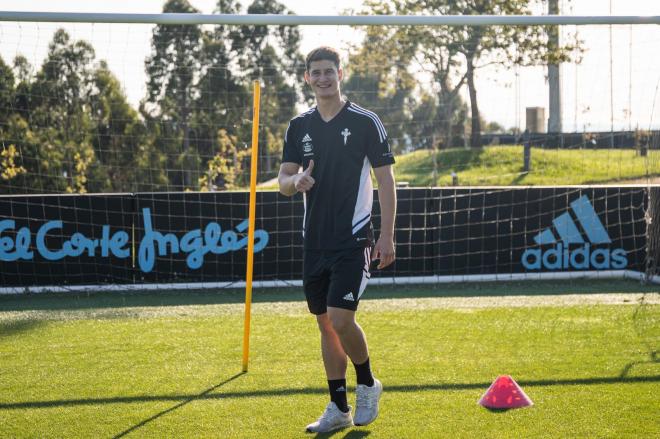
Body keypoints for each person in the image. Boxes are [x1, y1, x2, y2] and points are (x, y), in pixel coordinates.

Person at [278, 46, 396, 433]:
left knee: (343, 319)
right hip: (314, 242)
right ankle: (338, 408)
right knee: (325, 324)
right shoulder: (299, 126)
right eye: (316, 72)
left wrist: (388, 236)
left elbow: (386, 181)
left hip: (354, 240)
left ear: (340, 74)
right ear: (307, 78)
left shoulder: (366, 121)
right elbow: (283, 182)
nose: (323, 78)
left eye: (330, 71)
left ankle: (367, 384)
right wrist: (296, 182)